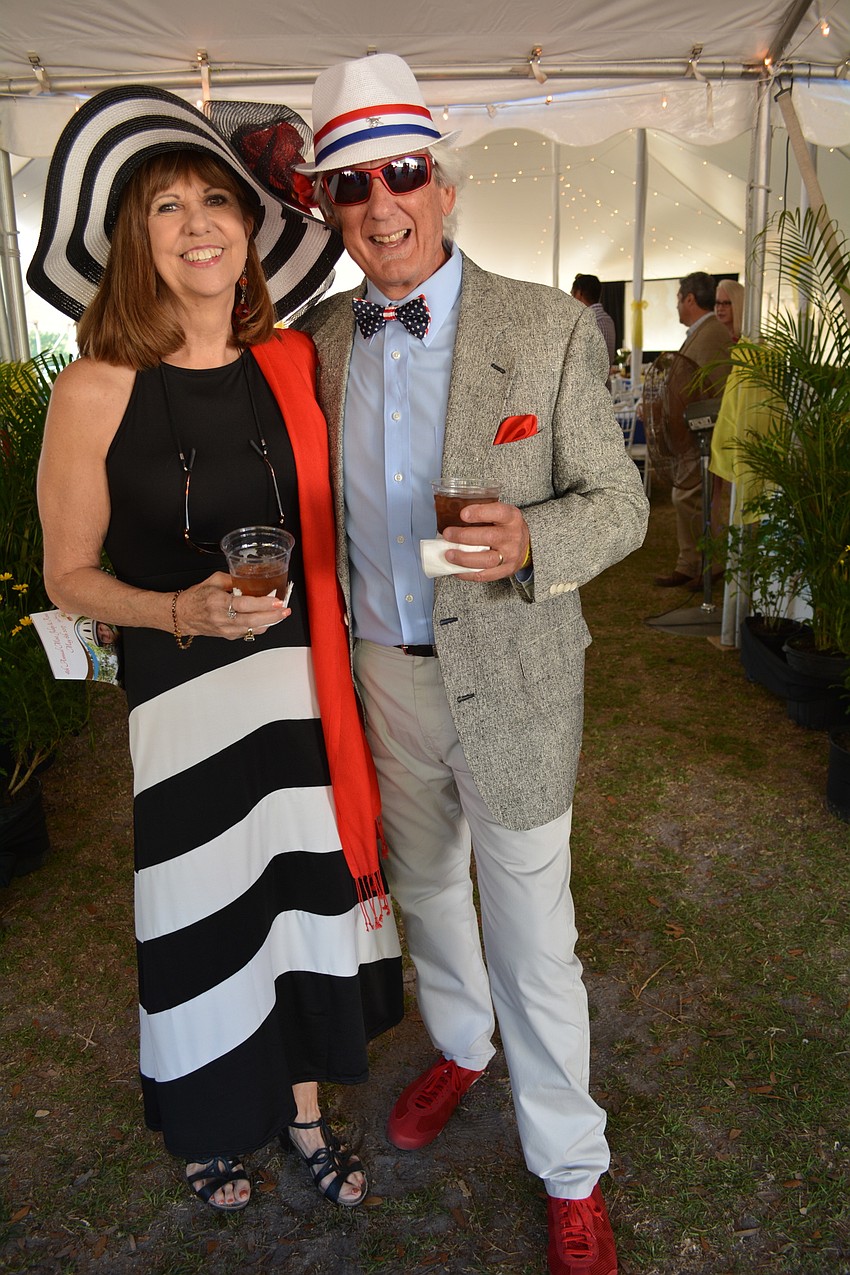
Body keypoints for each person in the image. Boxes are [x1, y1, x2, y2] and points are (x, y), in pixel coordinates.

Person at [295, 53, 649, 1275]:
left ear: (441, 187)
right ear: (330, 210)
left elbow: (621, 503)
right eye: (351, 185)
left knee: (533, 935)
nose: (380, 203)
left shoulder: (546, 326)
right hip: (380, 677)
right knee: (428, 892)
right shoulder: (321, 341)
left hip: (516, 679)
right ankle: (460, 1046)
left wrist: (534, 538)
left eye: (401, 173)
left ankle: (570, 1168)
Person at [29, 86, 403, 1214]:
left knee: (296, 897)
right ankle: (208, 1122)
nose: (198, 225)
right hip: (183, 697)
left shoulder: (290, 364)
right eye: (168, 208)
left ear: (248, 230)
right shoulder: (96, 388)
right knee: (205, 910)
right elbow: (68, 576)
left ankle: (301, 1109)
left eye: (217, 203)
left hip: (297, 692)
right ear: (135, 242)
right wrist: (178, 610)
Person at [645, 272, 733, 588]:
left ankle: (709, 564)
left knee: (693, 498)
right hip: (694, 433)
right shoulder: (705, 331)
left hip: (703, 434)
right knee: (689, 498)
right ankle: (691, 562)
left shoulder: (712, 334)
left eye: (678, 300)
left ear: (690, 299)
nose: (677, 307)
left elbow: (709, 389)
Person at [571, 274, 617, 383]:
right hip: (604, 387)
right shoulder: (607, 320)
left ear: (579, 293)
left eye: (572, 294)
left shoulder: (587, 322)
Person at [714, 278, 745, 342]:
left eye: (726, 303)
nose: (720, 308)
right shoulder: (711, 335)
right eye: (718, 303)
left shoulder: (749, 338)